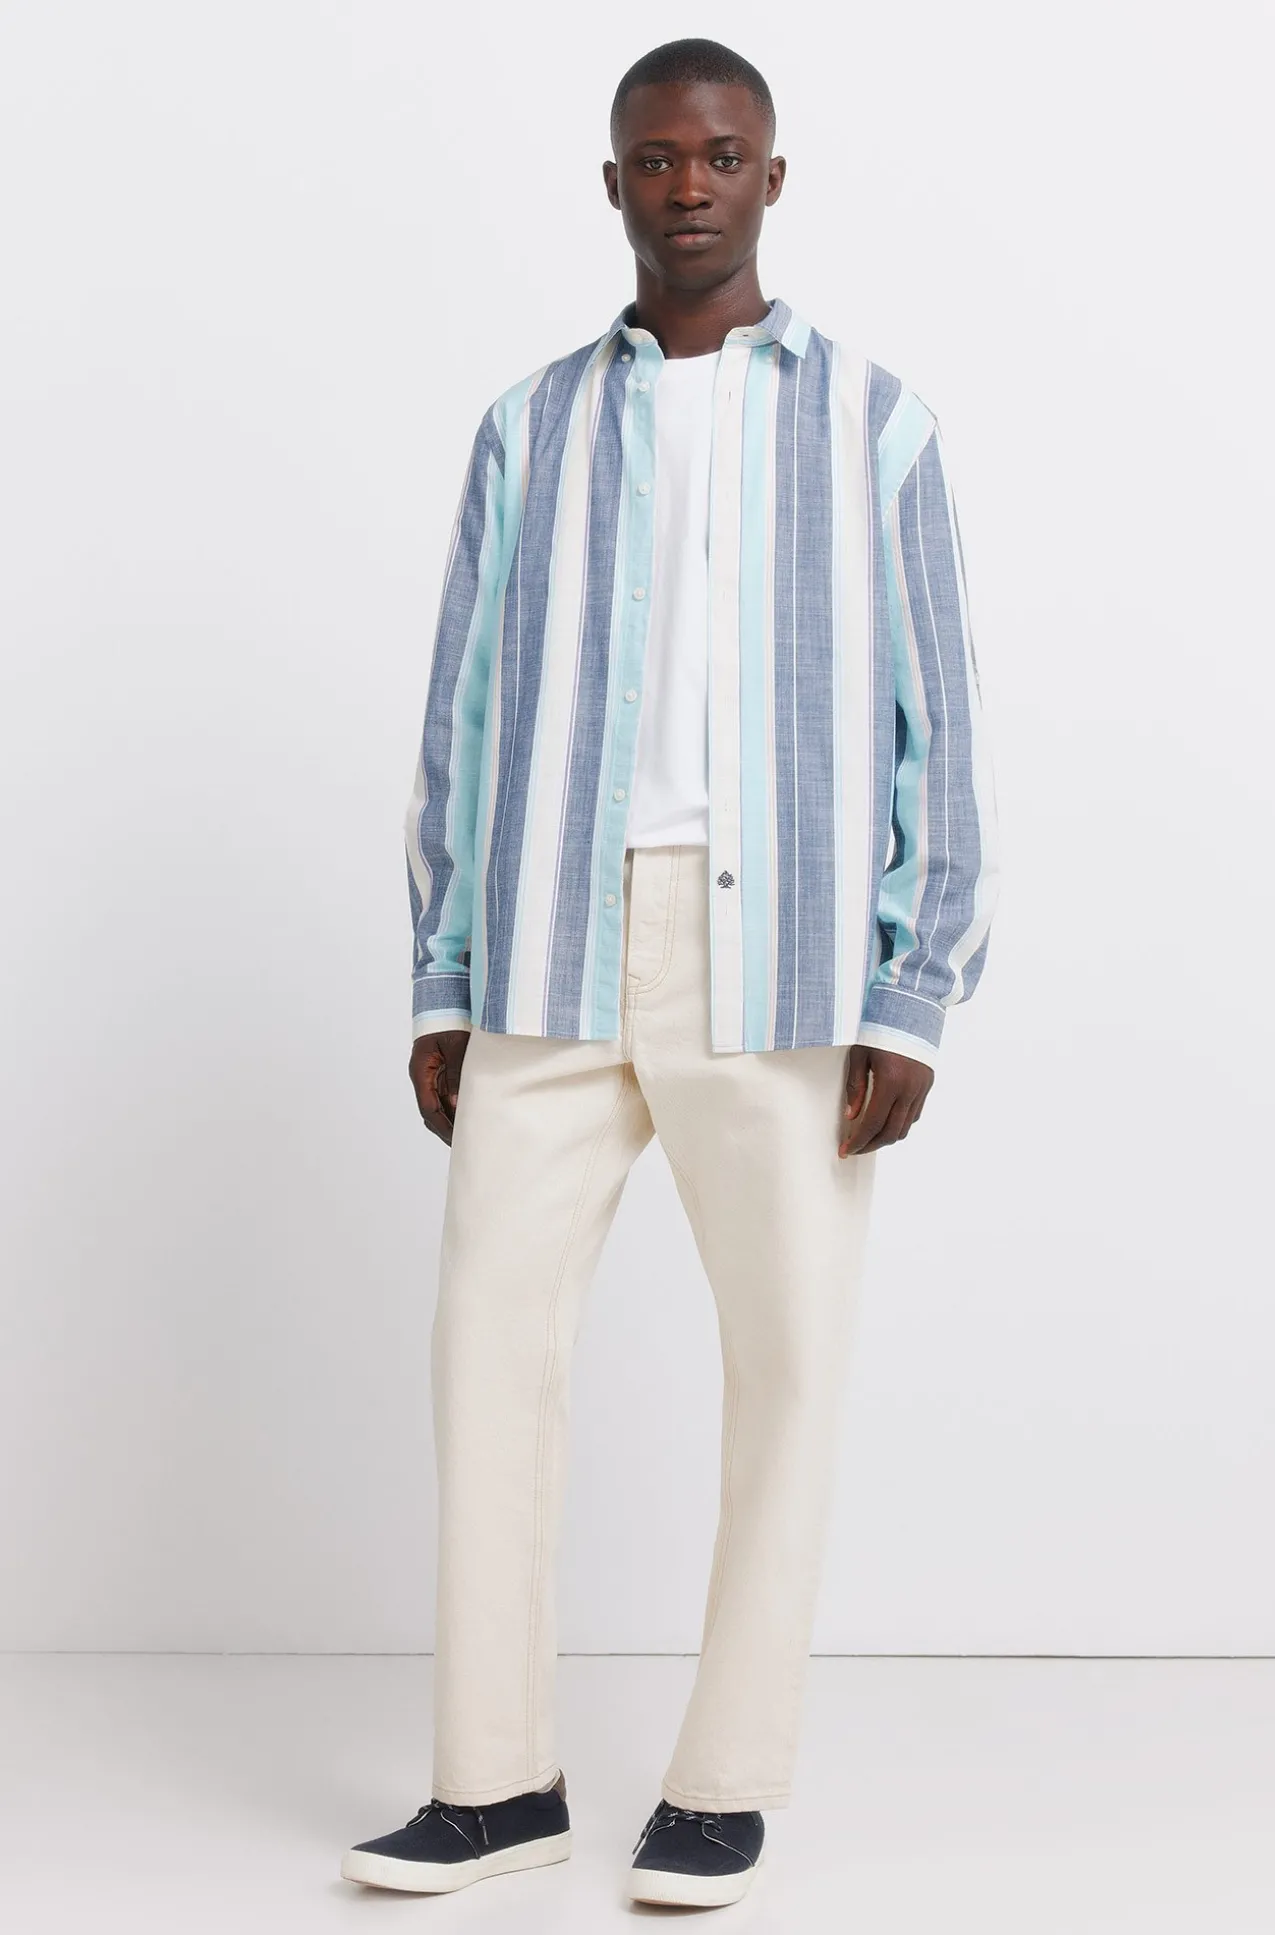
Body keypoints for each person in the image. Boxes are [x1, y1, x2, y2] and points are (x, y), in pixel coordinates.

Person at [342, 35, 999, 1911]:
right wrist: (442, 977)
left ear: (771, 178)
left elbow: (937, 725)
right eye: (654, 158)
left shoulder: (876, 424)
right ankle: (493, 1784)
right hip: (550, 939)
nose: (687, 185)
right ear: (612, 182)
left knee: (786, 1367)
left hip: (782, 958)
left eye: (720, 155)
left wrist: (910, 990)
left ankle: (723, 1782)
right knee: (489, 1354)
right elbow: (463, 715)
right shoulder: (527, 427)